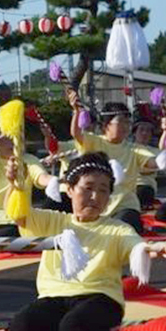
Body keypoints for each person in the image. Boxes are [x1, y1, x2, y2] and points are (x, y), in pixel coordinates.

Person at [0, 152, 166, 331]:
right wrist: (14, 185)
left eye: (103, 190)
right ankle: (63, 325)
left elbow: (137, 246)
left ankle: (112, 325)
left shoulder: (118, 229)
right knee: (20, 329)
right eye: (88, 188)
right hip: (55, 296)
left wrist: (160, 247)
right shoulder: (53, 220)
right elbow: (19, 215)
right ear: (69, 190)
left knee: (72, 330)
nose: (95, 196)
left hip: (100, 297)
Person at [68, 95, 157, 234]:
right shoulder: (94, 141)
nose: (126, 126)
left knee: (126, 227)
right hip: (98, 204)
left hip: (126, 205)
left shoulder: (134, 148)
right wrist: (76, 111)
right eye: (121, 122)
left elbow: (153, 163)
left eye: (128, 122)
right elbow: (76, 132)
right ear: (106, 125)